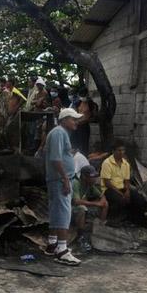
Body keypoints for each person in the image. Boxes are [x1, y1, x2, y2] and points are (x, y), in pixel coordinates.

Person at [44, 107, 84, 266]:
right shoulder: (59, 133)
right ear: (64, 119)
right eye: (73, 119)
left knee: (56, 212)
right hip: (60, 180)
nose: (76, 122)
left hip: (58, 179)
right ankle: (62, 250)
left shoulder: (59, 133)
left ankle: (52, 244)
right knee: (63, 213)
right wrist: (66, 179)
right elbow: (55, 159)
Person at [100, 140, 147, 225]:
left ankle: (138, 221)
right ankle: (115, 220)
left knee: (139, 199)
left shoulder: (126, 164)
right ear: (113, 151)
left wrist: (127, 191)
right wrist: (122, 194)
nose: (121, 152)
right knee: (120, 199)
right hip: (109, 189)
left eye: (123, 150)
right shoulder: (107, 163)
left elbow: (126, 180)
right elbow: (107, 183)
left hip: (122, 188)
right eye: (119, 150)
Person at [72, 165, 108, 251]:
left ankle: (100, 227)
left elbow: (101, 196)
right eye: (92, 177)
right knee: (81, 209)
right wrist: (96, 204)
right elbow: (76, 201)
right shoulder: (76, 183)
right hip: (71, 210)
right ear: (84, 177)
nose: (95, 179)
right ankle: (80, 237)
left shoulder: (90, 185)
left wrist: (102, 201)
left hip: (83, 208)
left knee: (105, 204)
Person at [70, 88, 93, 156]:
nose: (82, 97)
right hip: (77, 126)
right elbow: (75, 112)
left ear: (87, 94)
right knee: (75, 144)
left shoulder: (90, 104)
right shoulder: (79, 102)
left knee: (83, 145)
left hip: (84, 126)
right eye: (81, 95)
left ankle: (84, 159)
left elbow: (90, 116)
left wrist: (81, 121)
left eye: (83, 95)